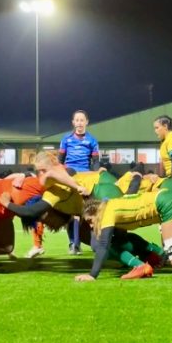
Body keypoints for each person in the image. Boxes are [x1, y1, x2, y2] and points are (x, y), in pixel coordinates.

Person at [58, 109, 100, 254]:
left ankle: (95, 241)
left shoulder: (92, 140)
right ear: (73, 122)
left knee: (89, 210)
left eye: (82, 120)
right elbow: (60, 162)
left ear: (87, 122)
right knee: (72, 212)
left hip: (86, 177)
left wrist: (97, 173)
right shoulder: (66, 139)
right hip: (70, 178)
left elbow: (95, 163)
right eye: (77, 120)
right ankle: (72, 243)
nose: (80, 123)